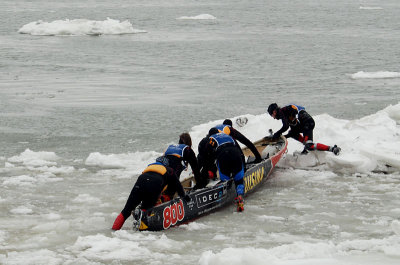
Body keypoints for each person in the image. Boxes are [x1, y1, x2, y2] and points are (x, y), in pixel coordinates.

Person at [111, 133, 201, 230]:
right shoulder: (172, 167)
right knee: (147, 207)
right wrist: (186, 196)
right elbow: (180, 183)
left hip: (141, 180)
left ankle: (113, 231)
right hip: (155, 183)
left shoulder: (152, 165)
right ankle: (144, 219)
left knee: (126, 211)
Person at [201, 127, 246, 212]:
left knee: (225, 180)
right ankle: (240, 196)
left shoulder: (210, 139)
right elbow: (241, 152)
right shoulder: (228, 136)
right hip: (236, 154)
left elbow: (208, 156)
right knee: (239, 180)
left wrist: (208, 171)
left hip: (223, 156)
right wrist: (244, 165)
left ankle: (220, 199)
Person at [267, 103, 341, 155]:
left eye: (272, 115)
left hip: (308, 124)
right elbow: (293, 131)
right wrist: (283, 137)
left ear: (274, 112)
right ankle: (306, 148)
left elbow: (285, 126)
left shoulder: (282, 112)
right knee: (292, 133)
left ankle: (333, 149)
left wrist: (277, 134)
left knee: (309, 146)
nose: (273, 118)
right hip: (303, 125)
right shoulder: (286, 113)